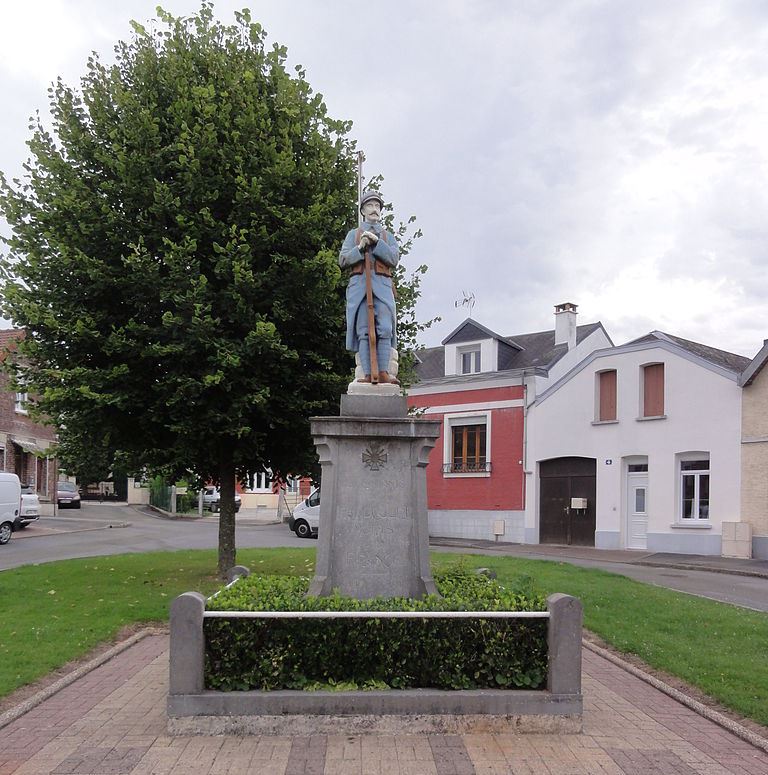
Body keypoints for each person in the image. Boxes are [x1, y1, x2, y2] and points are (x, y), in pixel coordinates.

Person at [338, 190, 400, 384]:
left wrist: (377, 243)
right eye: (370, 206)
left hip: (382, 287)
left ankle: (383, 372)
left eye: (377, 206)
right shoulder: (353, 235)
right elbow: (343, 259)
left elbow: (393, 258)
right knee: (363, 330)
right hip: (360, 288)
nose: (374, 210)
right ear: (363, 210)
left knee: (385, 328)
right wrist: (360, 248)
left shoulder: (388, 237)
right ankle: (366, 374)